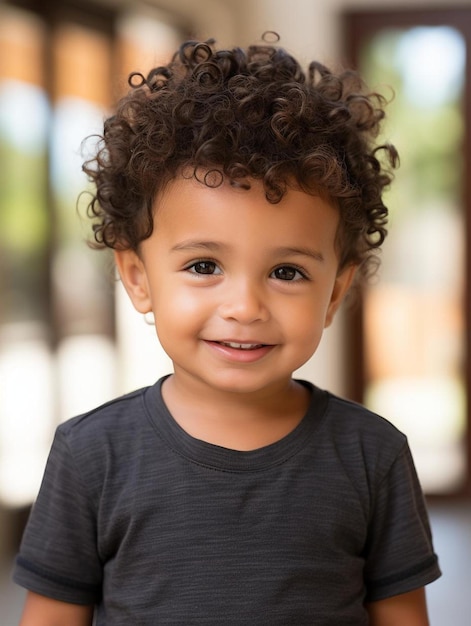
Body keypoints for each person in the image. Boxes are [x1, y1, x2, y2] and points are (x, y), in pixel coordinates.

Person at [13, 33, 440, 625]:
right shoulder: (91, 457)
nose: (244, 306)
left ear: (335, 292)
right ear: (137, 277)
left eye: (286, 271)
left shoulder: (373, 455)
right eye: (204, 266)